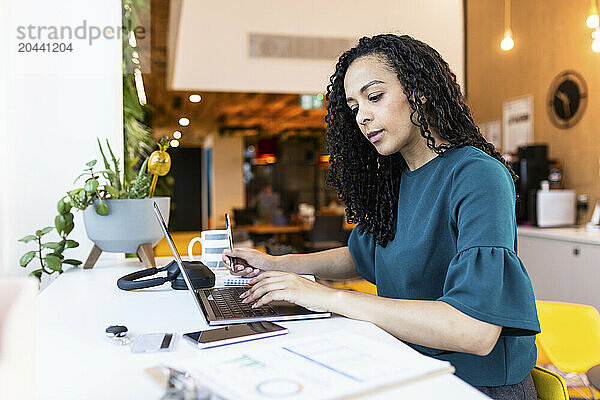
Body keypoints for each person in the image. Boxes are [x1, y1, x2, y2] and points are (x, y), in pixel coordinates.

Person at [223, 34, 539, 400]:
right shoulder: (396, 180)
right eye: (354, 106)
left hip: (472, 383)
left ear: (420, 91)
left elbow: (474, 331)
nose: (363, 116)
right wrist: (276, 264)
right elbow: (361, 256)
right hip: (407, 363)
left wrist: (328, 297)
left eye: (375, 97)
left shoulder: (475, 174)